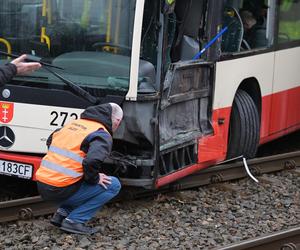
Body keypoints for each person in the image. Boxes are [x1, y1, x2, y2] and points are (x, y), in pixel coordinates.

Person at [36, 103, 123, 235]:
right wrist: (95, 178)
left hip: (42, 185)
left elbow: (50, 141)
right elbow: (92, 161)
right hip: (61, 189)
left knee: (79, 177)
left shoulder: (73, 124)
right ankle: (74, 221)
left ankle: (61, 214)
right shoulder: (101, 133)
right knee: (113, 184)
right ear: (116, 121)